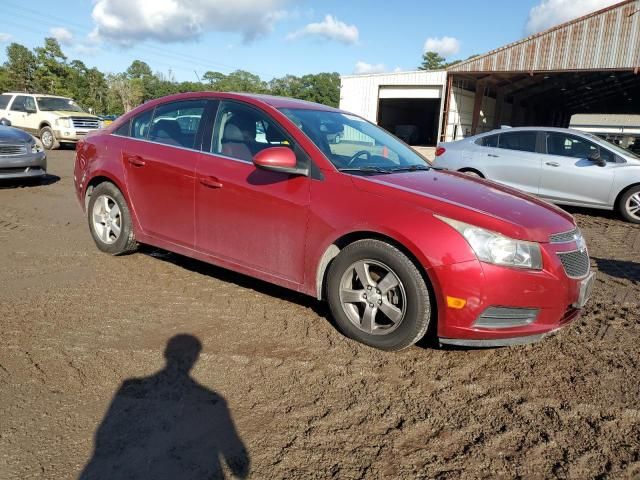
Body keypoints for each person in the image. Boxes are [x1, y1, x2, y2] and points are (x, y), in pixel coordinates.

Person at [80, 334, 249, 479]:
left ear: (166, 354)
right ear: (195, 359)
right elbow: (237, 459)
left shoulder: (131, 387)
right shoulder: (213, 400)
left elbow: (106, 435)